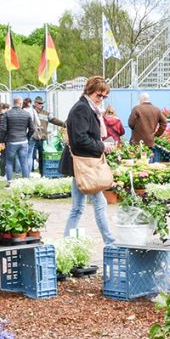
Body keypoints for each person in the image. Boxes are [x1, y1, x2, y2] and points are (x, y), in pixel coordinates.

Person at [61, 76, 117, 244]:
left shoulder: (89, 108)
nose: (101, 99)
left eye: (104, 97)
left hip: (84, 164)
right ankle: (110, 241)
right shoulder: (82, 109)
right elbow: (80, 139)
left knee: (78, 208)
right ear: (89, 91)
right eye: (99, 95)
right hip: (84, 164)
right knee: (98, 204)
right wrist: (101, 146)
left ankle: (67, 242)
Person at [0, 97, 35, 181]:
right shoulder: (26, 114)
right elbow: (32, 129)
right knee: (24, 162)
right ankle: (26, 182)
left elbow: (3, 129)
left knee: (9, 162)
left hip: (11, 141)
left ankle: (10, 182)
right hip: (23, 140)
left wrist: (2, 141)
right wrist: (27, 137)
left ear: (13, 103)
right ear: (21, 103)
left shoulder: (7, 114)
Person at [32, 97, 51, 176]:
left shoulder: (46, 113)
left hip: (42, 138)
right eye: (39, 103)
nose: (41, 105)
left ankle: (42, 172)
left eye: (42, 103)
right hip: (32, 137)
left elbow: (54, 120)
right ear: (35, 103)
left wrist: (64, 124)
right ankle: (31, 172)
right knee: (31, 156)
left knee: (42, 156)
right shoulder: (31, 111)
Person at [23, 97, 40, 176]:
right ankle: (28, 172)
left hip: (23, 135)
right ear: (30, 103)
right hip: (32, 134)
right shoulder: (33, 111)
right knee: (30, 155)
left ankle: (21, 172)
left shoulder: (22, 111)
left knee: (23, 155)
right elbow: (38, 123)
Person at [0, 102, 11, 179]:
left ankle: (2, 174)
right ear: (5, 109)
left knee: (2, 157)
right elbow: (3, 129)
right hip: (4, 139)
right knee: (5, 157)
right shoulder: (4, 117)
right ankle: (3, 174)